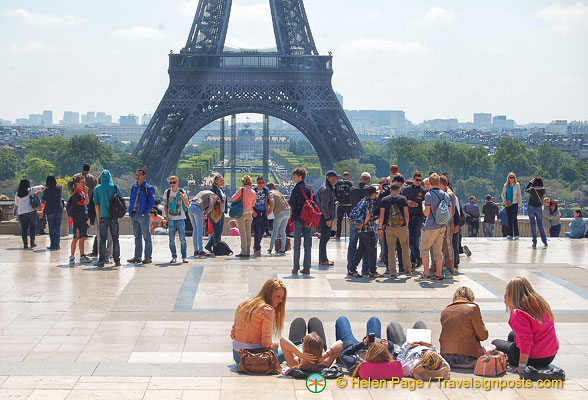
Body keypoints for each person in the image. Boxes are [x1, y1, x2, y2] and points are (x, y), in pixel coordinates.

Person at [492, 277, 559, 370]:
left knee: (495, 343)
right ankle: (515, 354)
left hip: (533, 359)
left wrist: (522, 366)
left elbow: (525, 340)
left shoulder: (518, 312)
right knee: (512, 335)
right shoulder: (541, 304)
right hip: (549, 356)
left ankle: (517, 359)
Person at [231, 278, 287, 364]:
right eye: (278, 296)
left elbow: (233, 334)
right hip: (255, 358)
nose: (280, 301)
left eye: (282, 297)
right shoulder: (267, 310)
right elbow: (266, 344)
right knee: (285, 352)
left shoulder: (244, 304)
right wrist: (273, 347)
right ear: (269, 293)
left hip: (237, 356)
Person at [439, 287, 489, 369]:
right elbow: (483, 336)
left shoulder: (445, 310)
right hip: (468, 357)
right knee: (494, 346)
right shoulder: (472, 308)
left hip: (446, 357)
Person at [419, 173, 451, 281]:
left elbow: (427, 213)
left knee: (424, 249)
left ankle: (426, 273)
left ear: (429, 183)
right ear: (438, 182)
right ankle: (438, 273)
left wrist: (423, 205)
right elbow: (449, 212)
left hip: (430, 226)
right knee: (438, 250)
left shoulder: (428, 195)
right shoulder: (445, 195)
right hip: (442, 226)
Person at [347, 186, 382, 278]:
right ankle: (373, 271)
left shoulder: (363, 200)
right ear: (373, 193)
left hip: (361, 230)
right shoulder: (370, 202)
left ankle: (352, 269)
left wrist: (360, 224)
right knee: (372, 250)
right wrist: (364, 223)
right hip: (368, 229)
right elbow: (368, 215)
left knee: (361, 249)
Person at [379, 183, 411, 278]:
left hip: (389, 227)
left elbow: (381, 215)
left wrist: (380, 228)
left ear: (390, 189)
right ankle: (408, 269)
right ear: (399, 189)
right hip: (402, 227)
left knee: (391, 249)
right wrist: (406, 225)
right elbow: (406, 214)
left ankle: (392, 271)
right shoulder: (403, 199)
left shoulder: (384, 200)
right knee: (405, 248)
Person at [92, 170, 122, 267]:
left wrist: (98, 217)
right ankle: (117, 260)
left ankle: (101, 260)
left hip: (103, 216)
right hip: (114, 217)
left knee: (102, 239)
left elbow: (96, 205)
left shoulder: (97, 188)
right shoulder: (115, 187)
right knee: (115, 239)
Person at [288, 168, 312, 274]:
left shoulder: (297, 188)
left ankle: (295, 267)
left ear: (300, 177)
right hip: (308, 219)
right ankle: (307, 268)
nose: (293, 178)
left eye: (295, 176)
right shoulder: (308, 189)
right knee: (307, 244)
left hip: (298, 218)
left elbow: (291, 202)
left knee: (297, 244)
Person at [401, 171, 427, 269]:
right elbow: (401, 201)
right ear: (413, 179)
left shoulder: (423, 191)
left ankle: (413, 259)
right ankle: (418, 257)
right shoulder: (406, 190)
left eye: (420, 180)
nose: (418, 182)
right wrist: (408, 203)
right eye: (417, 180)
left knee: (416, 237)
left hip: (419, 215)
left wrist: (418, 205)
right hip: (409, 214)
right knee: (410, 238)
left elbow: (426, 204)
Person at [347, 172, 371, 275]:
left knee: (352, 244)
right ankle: (365, 268)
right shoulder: (369, 190)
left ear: (360, 178)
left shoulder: (352, 189)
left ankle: (350, 267)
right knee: (365, 245)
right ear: (368, 180)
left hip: (354, 220)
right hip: (365, 220)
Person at [162, 176, 190, 263]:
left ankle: (184, 256)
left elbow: (187, 205)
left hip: (180, 218)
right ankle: (174, 256)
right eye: (170, 183)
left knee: (182, 239)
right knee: (171, 239)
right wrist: (166, 216)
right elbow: (166, 206)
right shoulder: (167, 192)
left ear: (177, 183)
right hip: (171, 218)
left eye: (173, 182)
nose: (172, 185)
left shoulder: (182, 192)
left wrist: (183, 197)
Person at [189, 189, 222, 258]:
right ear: (217, 198)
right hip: (197, 208)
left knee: (195, 230)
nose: (215, 202)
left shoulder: (203, 192)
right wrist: (205, 213)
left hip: (190, 207)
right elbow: (210, 205)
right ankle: (201, 251)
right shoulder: (212, 195)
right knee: (200, 230)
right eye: (216, 201)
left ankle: (196, 250)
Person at [14, 179, 44, 248]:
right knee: (32, 227)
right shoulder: (30, 190)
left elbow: (16, 203)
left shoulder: (17, 193)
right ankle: (32, 242)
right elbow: (42, 187)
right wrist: (36, 192)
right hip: (31, 211)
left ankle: (25, 243)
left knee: (24, 228)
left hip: (21, 212)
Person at [68, 175, 91, 265]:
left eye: (84, 182)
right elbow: (86, 202)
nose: (84, 184)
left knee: (83, 237)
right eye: (82, 182)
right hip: (78, 220)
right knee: (76, 237)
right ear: (77, 183)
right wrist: (86, 193)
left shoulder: (80, 193)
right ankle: (72, 256)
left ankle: (82, 255)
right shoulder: (76, 194)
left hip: (82, 218)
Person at [231, 175, 256, 258]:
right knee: (248, 233)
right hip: (249, 213)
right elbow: (253, 204)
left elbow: (233, 198)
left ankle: (243, 251)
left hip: (241, 213)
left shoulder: (241, 190)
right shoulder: (253, 192)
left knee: (243, 234)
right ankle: (248, 251)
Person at [316, 170, 338, 266]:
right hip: (325, 218)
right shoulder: (326, 189)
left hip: (324, 217)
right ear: (330, 177)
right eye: (335, 177)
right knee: (324, 238)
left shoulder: (327, 187)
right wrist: (328, 219)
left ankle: (323, 258)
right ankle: (323, 259)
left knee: (325, 238)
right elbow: (324, 206)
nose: (336, 179)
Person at [267, 182, 290, 254]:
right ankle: (283, 248)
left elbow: (272, 203)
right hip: (287, 211)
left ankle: (270, 248)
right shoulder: (278, 192)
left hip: (280, 212)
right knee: (283, 231)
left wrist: (269, 212)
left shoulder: (271, 193)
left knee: (275, 231)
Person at [205, 175, 226, 253]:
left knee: (219, 231)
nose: (222, 181)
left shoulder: (221, 190)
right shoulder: (212, 190)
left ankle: (213, 245)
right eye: (221, 180)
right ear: (216, 181)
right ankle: (215, 246)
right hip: (215, 212)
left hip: (221, 211)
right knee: (217, 230)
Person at [439, 176, 456, 275]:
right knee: (441, 246)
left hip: (447, 223)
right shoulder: (444, 193)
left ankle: (450, 268)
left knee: (447, 246)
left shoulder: (449, 194)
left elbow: (451, 212)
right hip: (442, 223)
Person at [42, 176, 63, 250]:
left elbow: (43, 198)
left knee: (51, 227)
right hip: (58, 209)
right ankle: (57, 245)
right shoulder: (58, 189)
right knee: (57, 227)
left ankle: (52, 244)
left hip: (50, 210)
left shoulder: (46, 191)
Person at [525, 177, 548, 248]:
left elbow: (526, 189)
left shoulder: (532, 190)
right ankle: (544, 241)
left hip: (531, 206)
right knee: (540, 224)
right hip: (539, 207)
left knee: (532, 224)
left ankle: (534, 242)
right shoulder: (543, 190)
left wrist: (530, 182)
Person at [501, 172, 522, 240]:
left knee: (514, 219)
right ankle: (510, 234)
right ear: (508, 178)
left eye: (512, 177)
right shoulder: (505, 185)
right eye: (510, 177)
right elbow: (503, 194)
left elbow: (519, 195)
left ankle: (516, 234)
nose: (511, 179)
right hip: (507, 203)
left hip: (514, 203)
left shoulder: (517, 185)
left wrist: (520, 204)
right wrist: (504, 200)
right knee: (509, 219)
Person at [252, 176, 269, 256]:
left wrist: (267, 210)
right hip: (256, 211)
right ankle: (257, 247)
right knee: (257, 230)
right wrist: (253, 211)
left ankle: (256, 245)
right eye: (259, 182)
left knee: (262, 230)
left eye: (262, 182)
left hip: (263, 212)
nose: (261, 184)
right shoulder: (253, 190)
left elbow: (266, 201)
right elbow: (251, 201)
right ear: (257, 182)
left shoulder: (266, 190)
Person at [334, 171, 353, 239]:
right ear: (348, 176)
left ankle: (338, 235)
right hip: (349, 204)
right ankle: (352, 234)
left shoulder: (337, 183)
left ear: (342, 176)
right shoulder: (350, 183)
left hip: (340, 204)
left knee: (339, 220)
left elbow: (335, 193)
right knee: (351, 220)